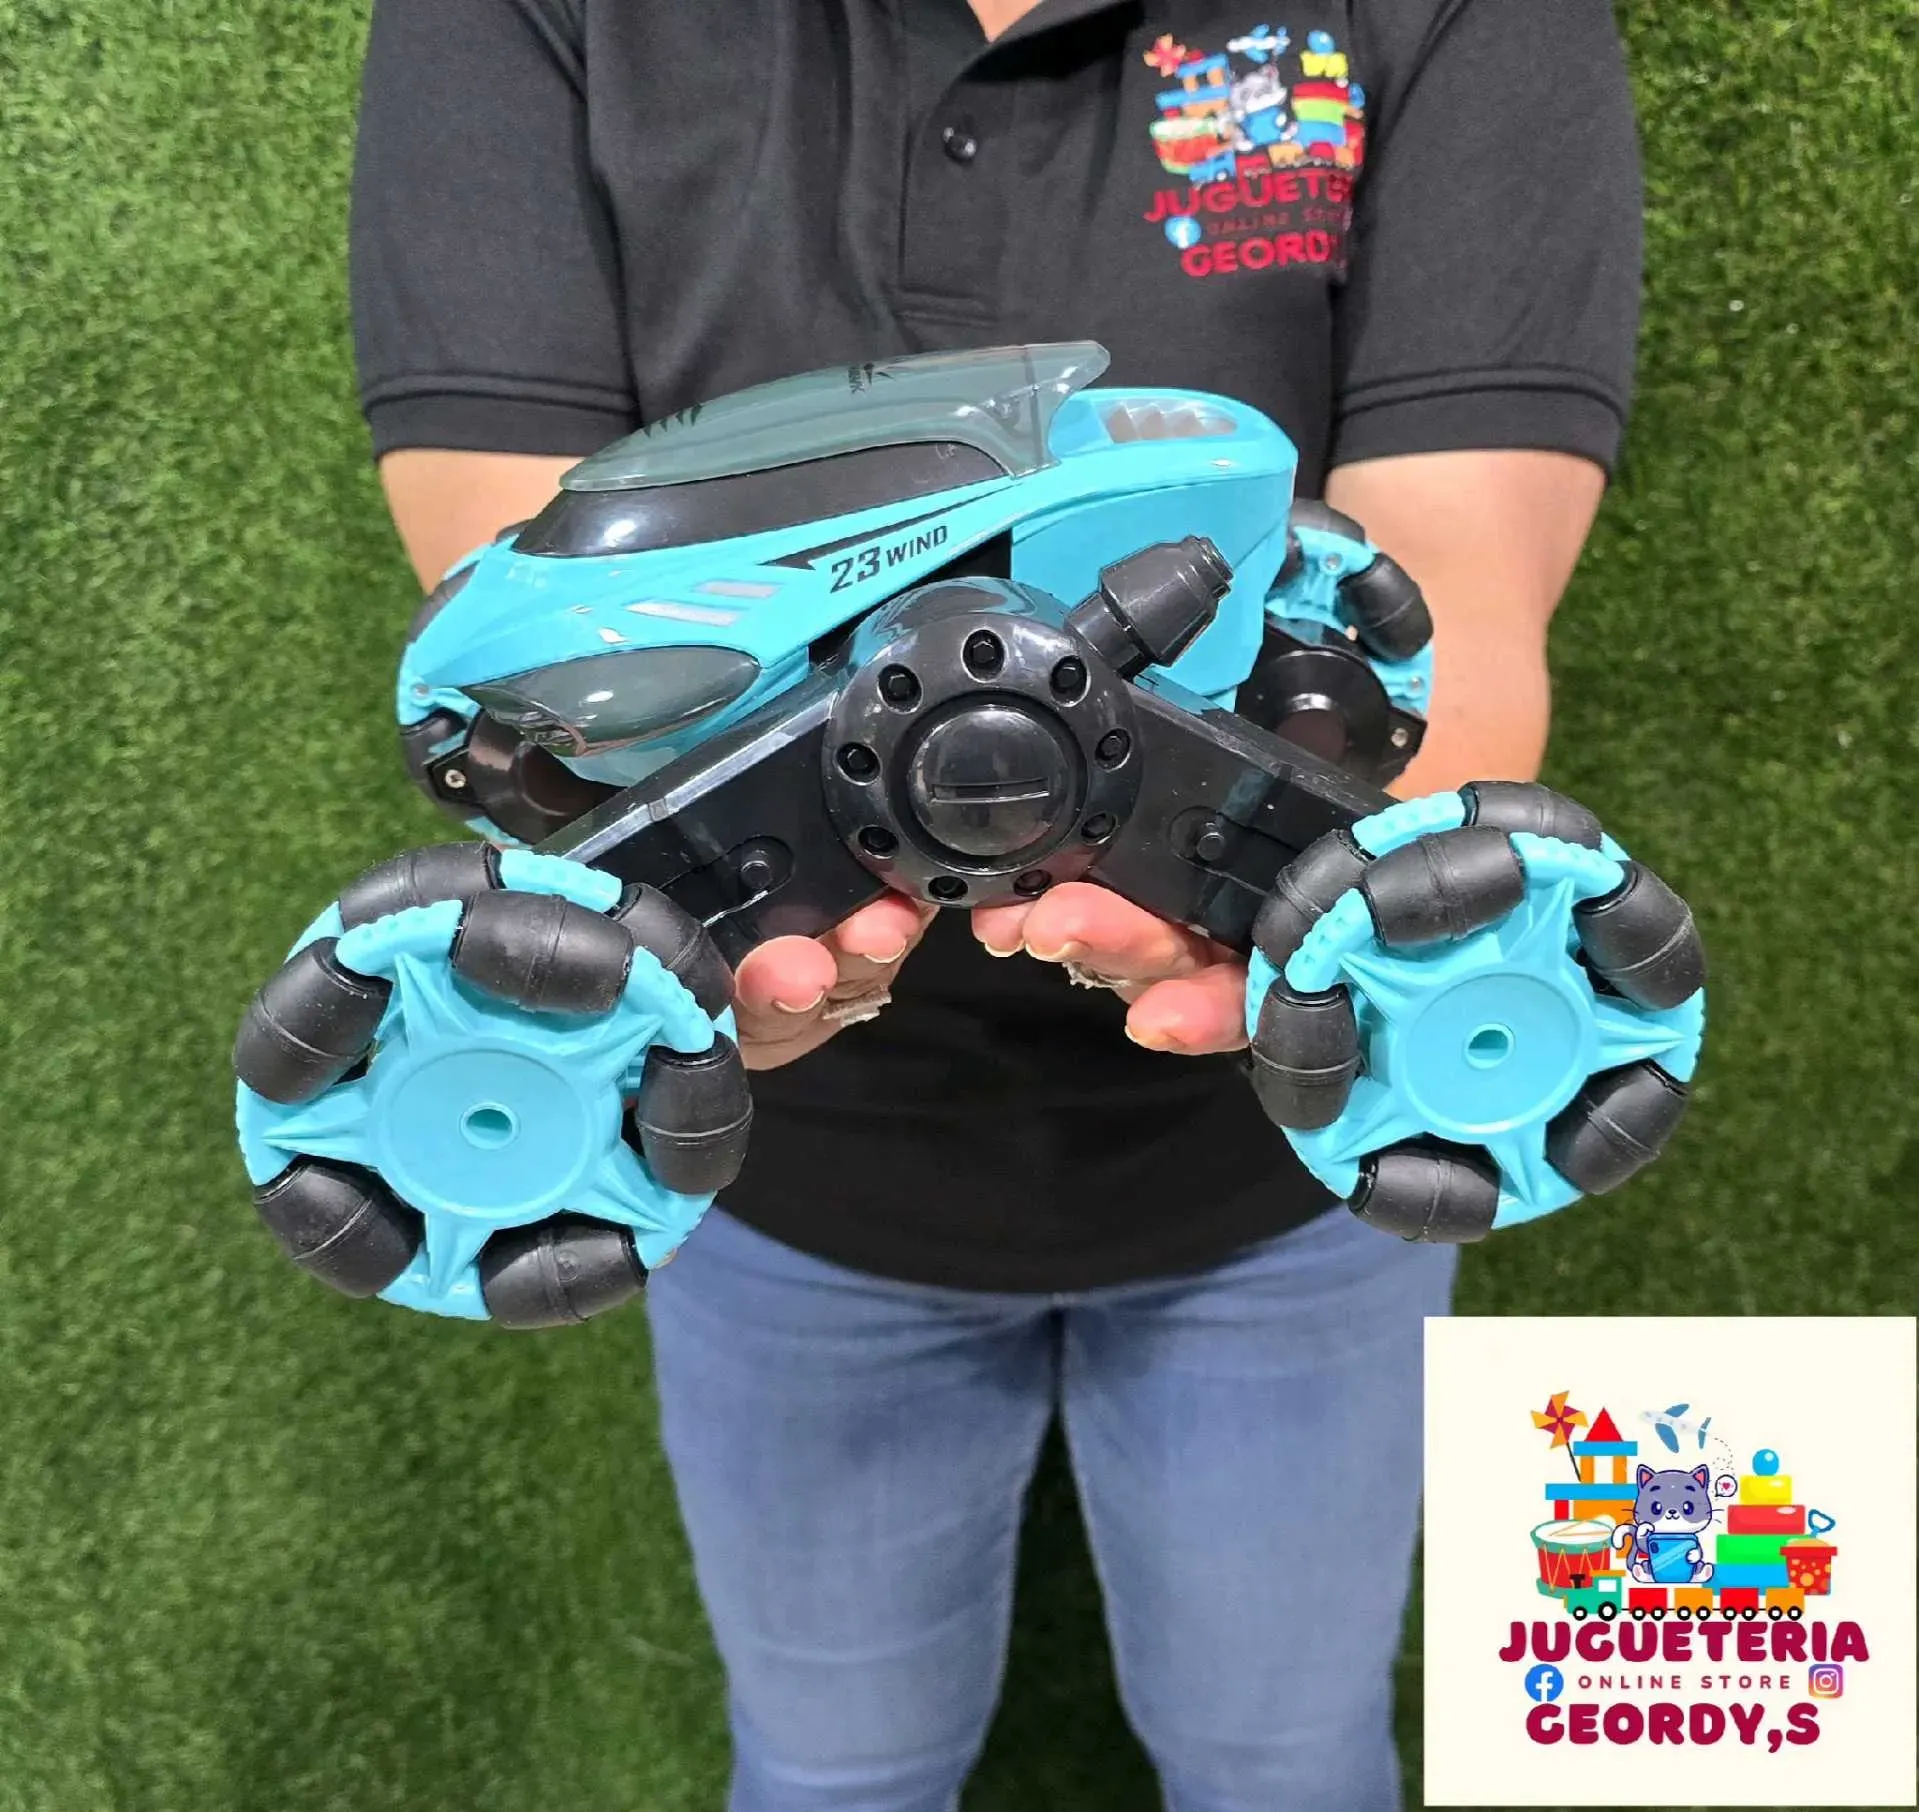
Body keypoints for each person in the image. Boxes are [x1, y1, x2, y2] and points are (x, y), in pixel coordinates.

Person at [349, 2, 1642, 1806]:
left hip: (1294, 1155)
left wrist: (1310, 902)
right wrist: (673, 957)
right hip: (778, 1169)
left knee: (1277, 1755)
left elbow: (1452, 607)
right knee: (836, 1766)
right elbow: (531, 648)